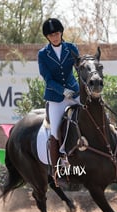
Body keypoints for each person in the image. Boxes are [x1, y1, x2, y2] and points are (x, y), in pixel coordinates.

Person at [38, 18, 80, 176]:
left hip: (74, 92)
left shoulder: (71, 48)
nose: (54, 37)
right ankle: (58, 168)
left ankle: (112, 144)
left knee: (95, 109)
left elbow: (79, 67)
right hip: (56, 97)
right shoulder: (43, 54)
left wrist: (81, 86)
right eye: (51, 35)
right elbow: (47, 78)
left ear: (61, 32)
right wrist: (62, 91)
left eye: (56, 33)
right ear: (47, 37)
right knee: (55, 131)